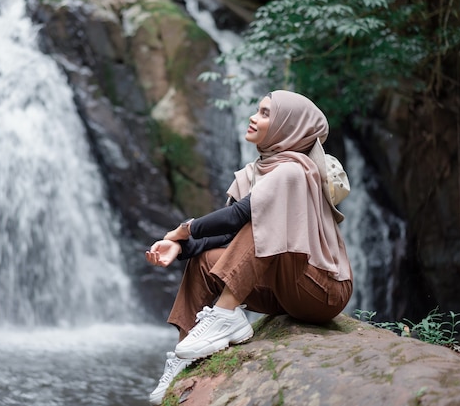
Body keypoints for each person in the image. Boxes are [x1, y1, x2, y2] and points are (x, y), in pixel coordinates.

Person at [145, 90, 353, 405]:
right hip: (284, 291)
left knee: (263, 221)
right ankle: (182, 355)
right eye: (257, 110)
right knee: (204, 260)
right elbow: (229, 239)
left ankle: (225, 314)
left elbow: (241, 217)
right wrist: (182, 247)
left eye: (266, 113)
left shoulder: (295, 171)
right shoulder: (256, 172)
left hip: (323, 290)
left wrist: (183, 230)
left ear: (289, 126)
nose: (254, 117)